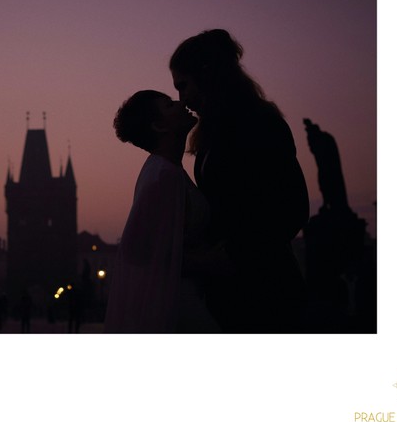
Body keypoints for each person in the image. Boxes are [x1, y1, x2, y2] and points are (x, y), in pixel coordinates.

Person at [170, 29, 309, 333]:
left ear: (207, 76)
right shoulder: (214, 133)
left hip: (264, 291)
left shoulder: (258, 121)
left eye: (183, 85)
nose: (182, 99)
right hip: (233, 291)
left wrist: (228, 257)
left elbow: (292, 207)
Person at [104, 90, 221, 333]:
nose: (181, 103)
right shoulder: (163, 175)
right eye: (169, 106)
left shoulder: (165, 169)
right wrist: (214, 262)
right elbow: (142, 252)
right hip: (178, 303)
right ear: (159, 126)